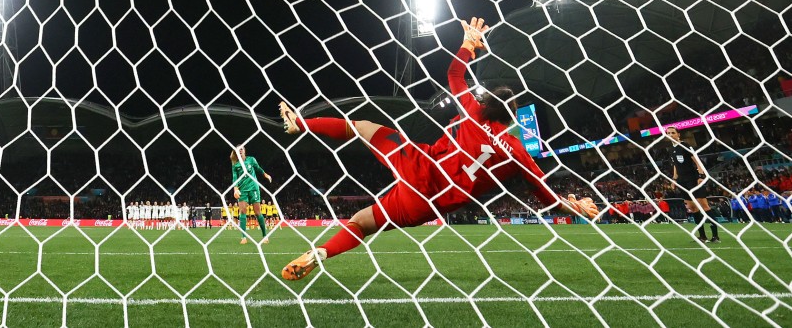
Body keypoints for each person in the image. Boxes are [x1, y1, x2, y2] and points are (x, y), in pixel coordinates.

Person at [278, 17, 598, 281]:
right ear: (511, 118)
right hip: (428, 202)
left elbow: (454, 74)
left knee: (361, 126)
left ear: (486, 105)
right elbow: (548, 199)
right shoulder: (516, 150)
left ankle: (300, 125)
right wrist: (577, 206)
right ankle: (319, 253)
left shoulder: (473, 111)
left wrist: (469, 43)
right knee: (363, 223)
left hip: (419, 162)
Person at [665, 125, 719, 243]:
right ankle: (702, 236)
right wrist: (674, 180)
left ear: (678, 134)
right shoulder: (671, 149)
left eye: (673, 133)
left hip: (693, 179)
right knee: (692, 208)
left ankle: (715, 236)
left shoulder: (685, 146)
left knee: (704, 206)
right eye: (668, 133)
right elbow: (675, 165)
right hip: (682, 181)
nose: (671, 135)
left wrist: (700, 175)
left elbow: (696, 160)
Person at [230, 146, 273, 245]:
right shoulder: (235, 165)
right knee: (243, 211)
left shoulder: (251, 160)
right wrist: (235, 189)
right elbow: (234, 178)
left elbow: (258, 169)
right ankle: (244, 237)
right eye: (238, 149)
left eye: (241, 148)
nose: (240, 150)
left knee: (257, 212)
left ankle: (265, 236)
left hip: (254, 188)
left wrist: (266, 175)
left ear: (245, 151)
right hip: (243, 190)